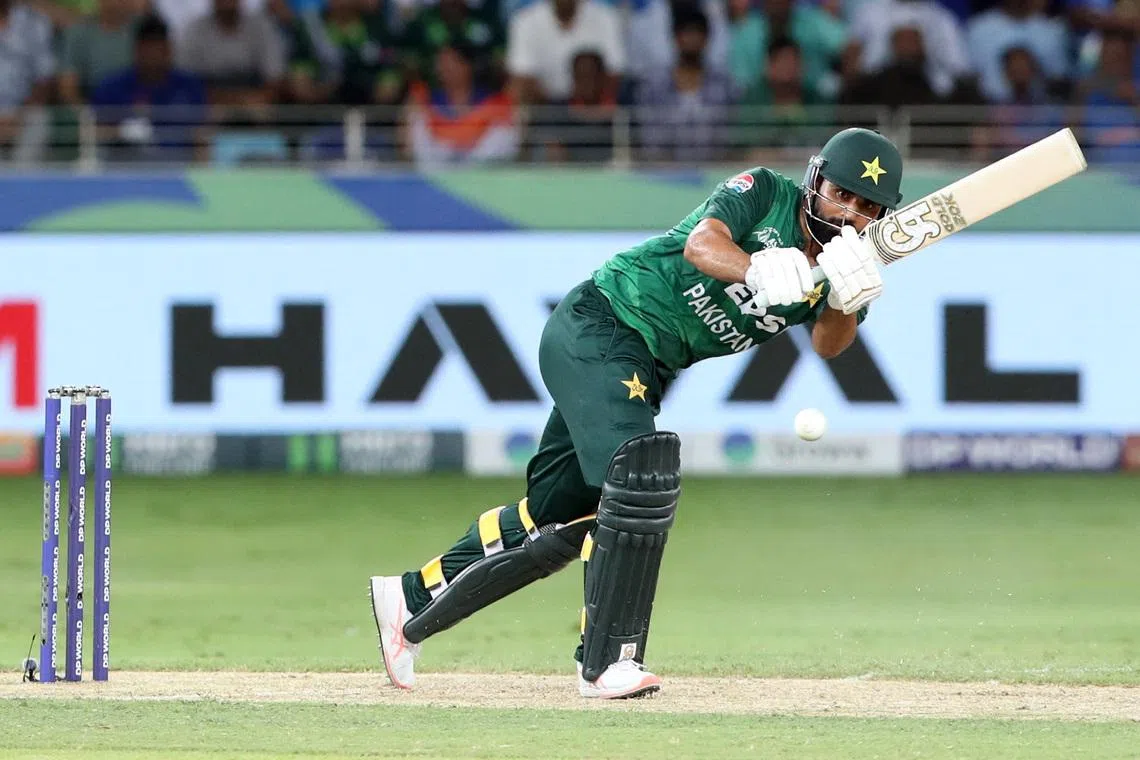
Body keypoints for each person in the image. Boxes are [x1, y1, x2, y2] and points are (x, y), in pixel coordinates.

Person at [369, 126, 905, 699]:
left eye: (865, 206)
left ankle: (408, 600)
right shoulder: (765, 192)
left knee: (556, 515)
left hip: (646, 370)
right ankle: (606, 661)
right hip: (602, 323)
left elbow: (829, 344)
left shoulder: (848, 262)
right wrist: (755, 267)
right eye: (839, 194)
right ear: (815, 181)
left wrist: (847, 299)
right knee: (637, 481)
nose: (847, 212)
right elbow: (702, 243)